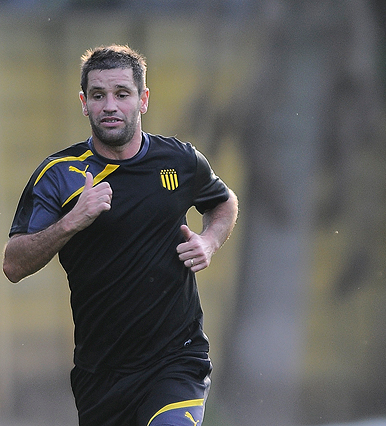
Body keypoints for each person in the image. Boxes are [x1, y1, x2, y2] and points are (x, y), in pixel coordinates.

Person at [3, 44, 238, 426]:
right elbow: (13, 264)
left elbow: (224, 202)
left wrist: (209, 242)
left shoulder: (179, 161)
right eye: (98, 96)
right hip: (101, 374)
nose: (109, 105)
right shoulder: (59, 175)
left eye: (122, 94)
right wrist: (72, 221)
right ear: (84, 103)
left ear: (143, 100)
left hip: (176, 359)